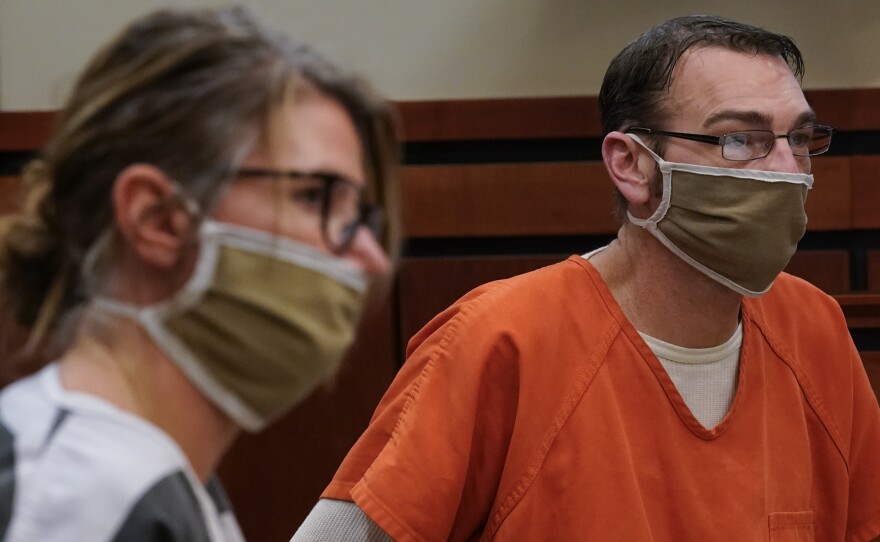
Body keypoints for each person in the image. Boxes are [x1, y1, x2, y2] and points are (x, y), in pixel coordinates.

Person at [293, 14, 880, 542]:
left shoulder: (814, 329)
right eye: (738, 140)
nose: (787, 170)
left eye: (798, 139)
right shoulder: (501, 339)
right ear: (631, 164)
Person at [0, 5, 399, 541]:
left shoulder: (164, 479)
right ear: (159, 220)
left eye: (359, 215)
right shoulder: (74, 494)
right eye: (313, 197)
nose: (371, 257)